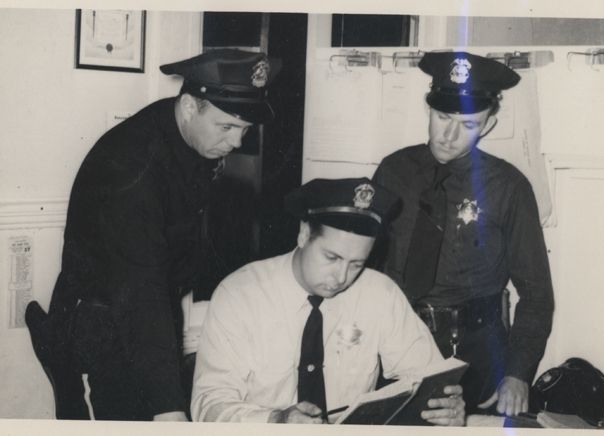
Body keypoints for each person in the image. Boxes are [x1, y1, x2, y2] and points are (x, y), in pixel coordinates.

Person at [25, 49, 280, 421]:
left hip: (150, 299)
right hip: (105, 318)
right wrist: (167, 407)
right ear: (190, 106)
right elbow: (140, 290)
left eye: (244, 129)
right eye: (226, 127)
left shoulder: (183, 130)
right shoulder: (133, 169)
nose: (237, 142)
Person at [191, 178, 465, 425]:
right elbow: (209, 403)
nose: (341, 277)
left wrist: (445, 406)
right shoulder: (240, 295)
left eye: (356, 264)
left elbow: (429, 376)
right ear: (303, 234)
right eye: (332, 258)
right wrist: (275, 420)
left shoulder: (380, 293)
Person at [371, 51, 555, 417]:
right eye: (442, 117)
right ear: (429, 109)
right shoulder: (393, 172)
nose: (449, 135)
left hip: (477, 353)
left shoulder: (508, 187)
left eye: (468, 124)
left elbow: (536, 293)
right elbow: (366, 269)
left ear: (487, 125)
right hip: (397, 343)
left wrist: (517, 373)